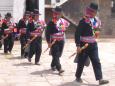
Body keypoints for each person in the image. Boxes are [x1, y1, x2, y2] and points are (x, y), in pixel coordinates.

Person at [75, 3, 109, 85]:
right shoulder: (83, 21)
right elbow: (77, 33)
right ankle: (78, 76)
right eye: (93, 11)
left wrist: (96, 33)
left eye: (95, 11)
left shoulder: (97, 20)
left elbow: (97, 31)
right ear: (89, 11)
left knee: (96, 61)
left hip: (93, 45)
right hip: (84, 44)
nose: (94, 13)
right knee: (81, 62)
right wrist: (78, 45)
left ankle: (100, 79)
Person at [45, 6, 70, 75]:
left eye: (58, 13)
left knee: (58, 55)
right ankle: (59, 68)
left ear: (60, 14)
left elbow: (65, 28)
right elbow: (47, 33)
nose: (56, 15)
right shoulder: (51, 23)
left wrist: (63, 31)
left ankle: (53, 65)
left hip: (61, 41)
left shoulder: (63, 21)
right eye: (55, 13)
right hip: (54, 41)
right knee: (55, 54)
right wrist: (48, 42)